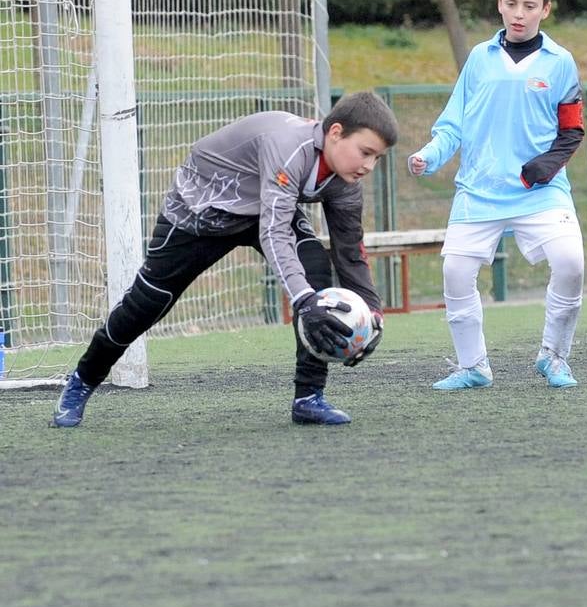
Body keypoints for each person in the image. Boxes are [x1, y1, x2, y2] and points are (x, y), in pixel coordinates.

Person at [51, 91, 398, 428]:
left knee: (314, 270)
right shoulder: (289, 149)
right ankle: (82, 379)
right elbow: (274, 234)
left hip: (262, 209)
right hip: (199, 214)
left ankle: (309, 397)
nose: (369, 166)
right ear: (335, 133)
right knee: (147, 304)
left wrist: (372, 310)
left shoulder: (347, 181)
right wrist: (304, 300)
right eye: (365, 152)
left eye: (377, 158)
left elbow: (350, 248)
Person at [408, 0, 586, 390]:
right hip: (480, 191)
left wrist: (547, 165)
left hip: (540, 192)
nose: (518, 13)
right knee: (454, 272)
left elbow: (572, 129)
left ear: (545, 9)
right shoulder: (479, 60)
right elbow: (454, 123)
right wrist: (429, 156)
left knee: (572, 263)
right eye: (511, 4)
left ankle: (554, 356)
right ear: (499, 6)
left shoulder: (560, 63)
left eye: (529, 5)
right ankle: (473, 367)